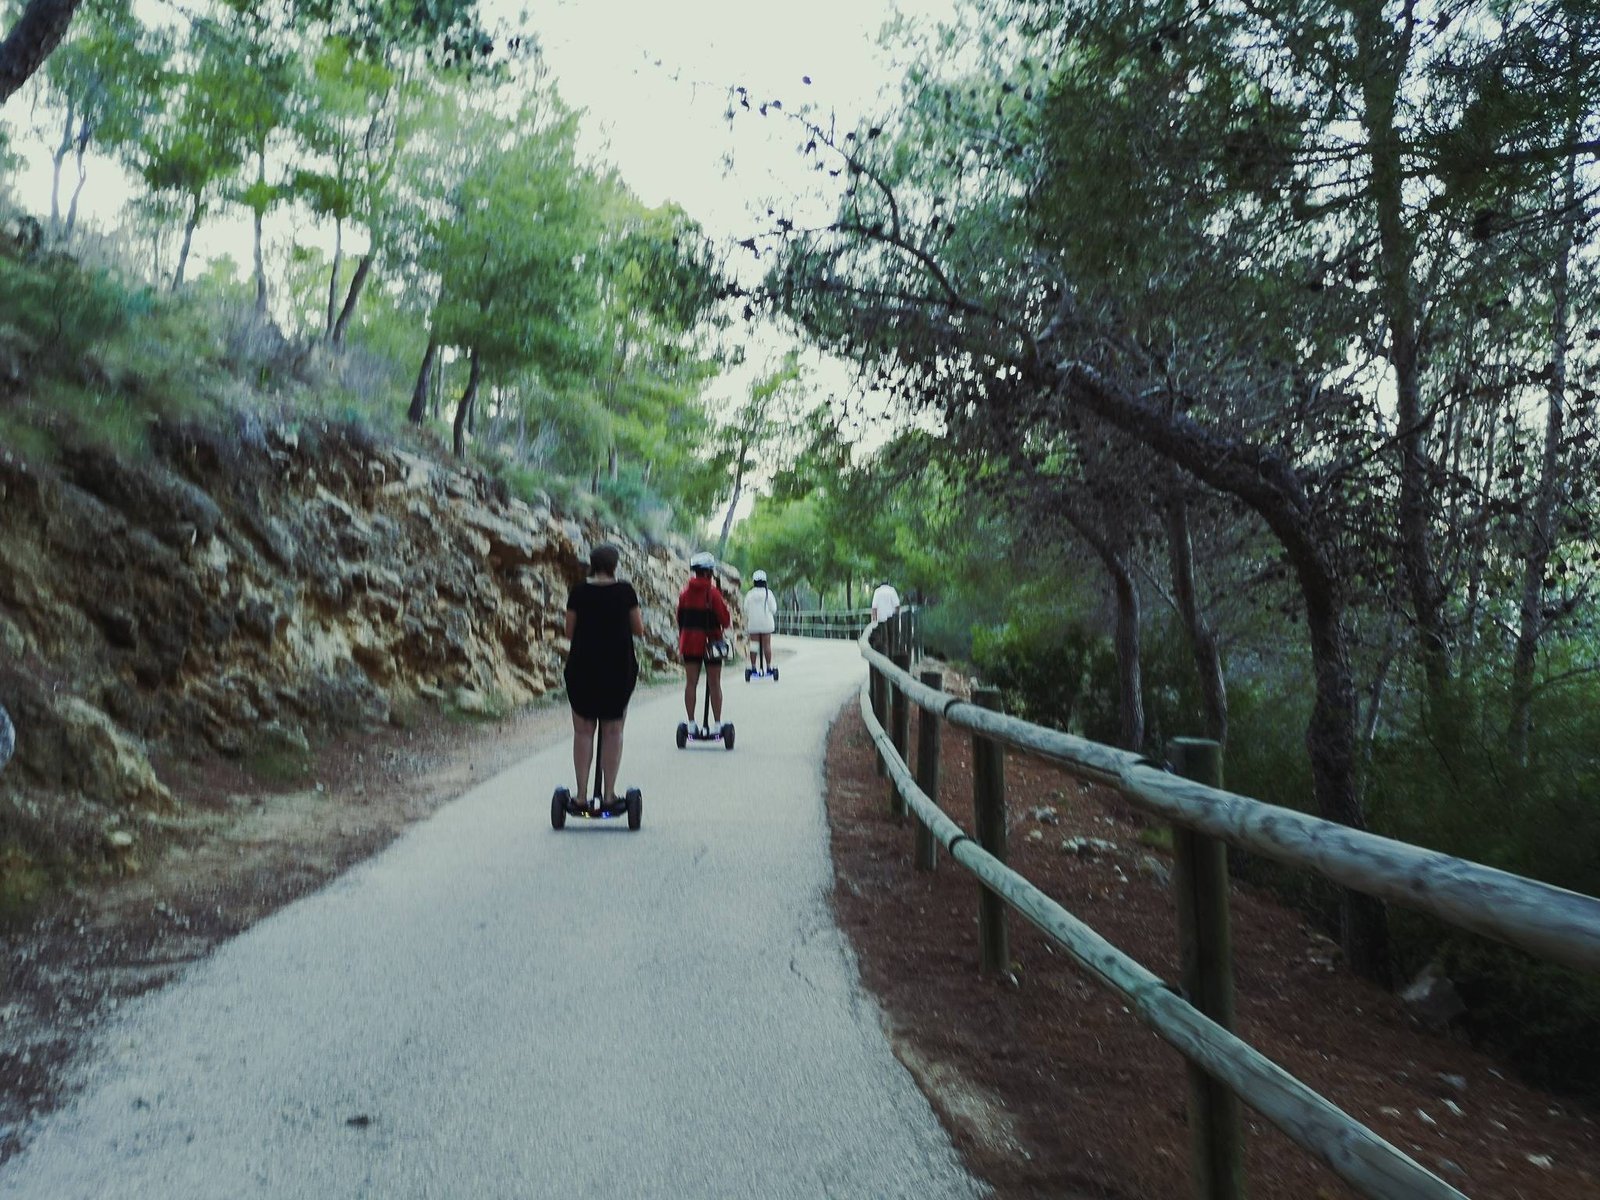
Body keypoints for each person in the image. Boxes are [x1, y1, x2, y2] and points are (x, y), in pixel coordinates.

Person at [563, 543, 643, 805]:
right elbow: (638, 628)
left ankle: (581, 795)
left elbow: (568, 631)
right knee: (612, 731)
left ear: (592, 564)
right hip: (616, 669)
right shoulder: (625, 592)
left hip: (583, 667)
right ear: (614, 566)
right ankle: (609, 795)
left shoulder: (578, 592)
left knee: (583, 731)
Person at [677, 551, 732, 735]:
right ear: (709, 572)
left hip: (689, 643)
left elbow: (680, 618)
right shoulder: (713, 594)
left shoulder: (684, 593)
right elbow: (725, 620)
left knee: (691, 682)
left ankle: (691, 723)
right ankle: (717, 724)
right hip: (711, 644)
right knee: (714, 683)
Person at [742, 569, 779, 674]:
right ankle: (768, 667)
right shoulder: (768, 594)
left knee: (754, 645)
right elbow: (774, 609)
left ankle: (753, 667)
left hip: (753, 624)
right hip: (766, 624)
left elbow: (745, 609)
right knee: (767, 645)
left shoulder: (749, 594)